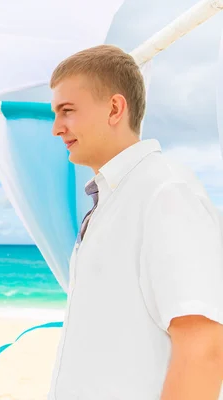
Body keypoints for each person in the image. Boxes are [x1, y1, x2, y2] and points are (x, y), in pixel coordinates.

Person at [48, 44, 223, 399]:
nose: (56, 128)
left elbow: (204, 347)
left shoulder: (166, 192)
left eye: (67, 111)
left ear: (115, 108)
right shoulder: (114, 198)